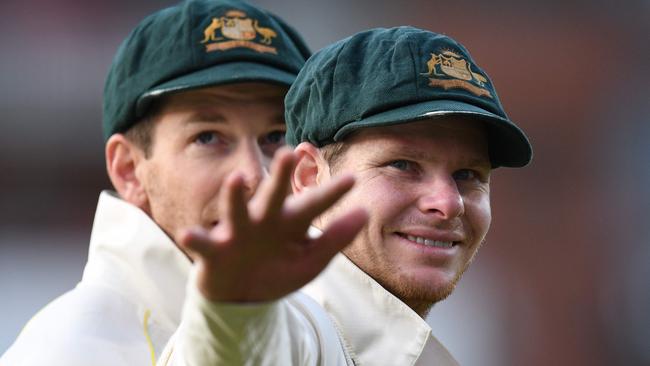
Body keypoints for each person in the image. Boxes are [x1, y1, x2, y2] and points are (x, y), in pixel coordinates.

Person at [1, 1, 368, 365]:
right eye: (208, 138)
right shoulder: (66, 353)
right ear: (129, 170)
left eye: (274, 136)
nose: (255, 174)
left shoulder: (322, 327)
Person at [158, 26, 533, 365]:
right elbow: (246, 348)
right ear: (308, 175)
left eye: (467, 174)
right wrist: (233, 309)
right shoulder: (300, 325)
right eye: (402, 165)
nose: (448, 202)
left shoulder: (406, 348)